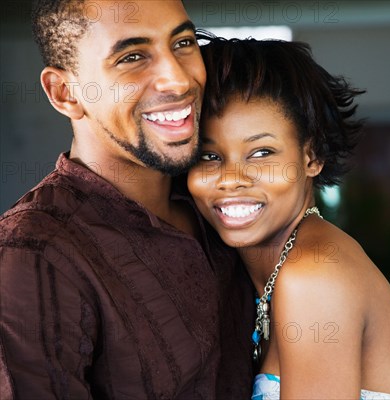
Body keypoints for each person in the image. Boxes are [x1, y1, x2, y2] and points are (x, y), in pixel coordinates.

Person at [189, 33, 390, 400]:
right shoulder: (272, 267)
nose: (231, 179)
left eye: (261, 153)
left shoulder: (314, 275)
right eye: (209, 156)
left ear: (312, 157)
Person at [0, 1, 254, 398]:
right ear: (65, 93)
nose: (177, 79)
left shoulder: (223, 203)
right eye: (132, 57)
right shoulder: (33, 251)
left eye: (184, 42)